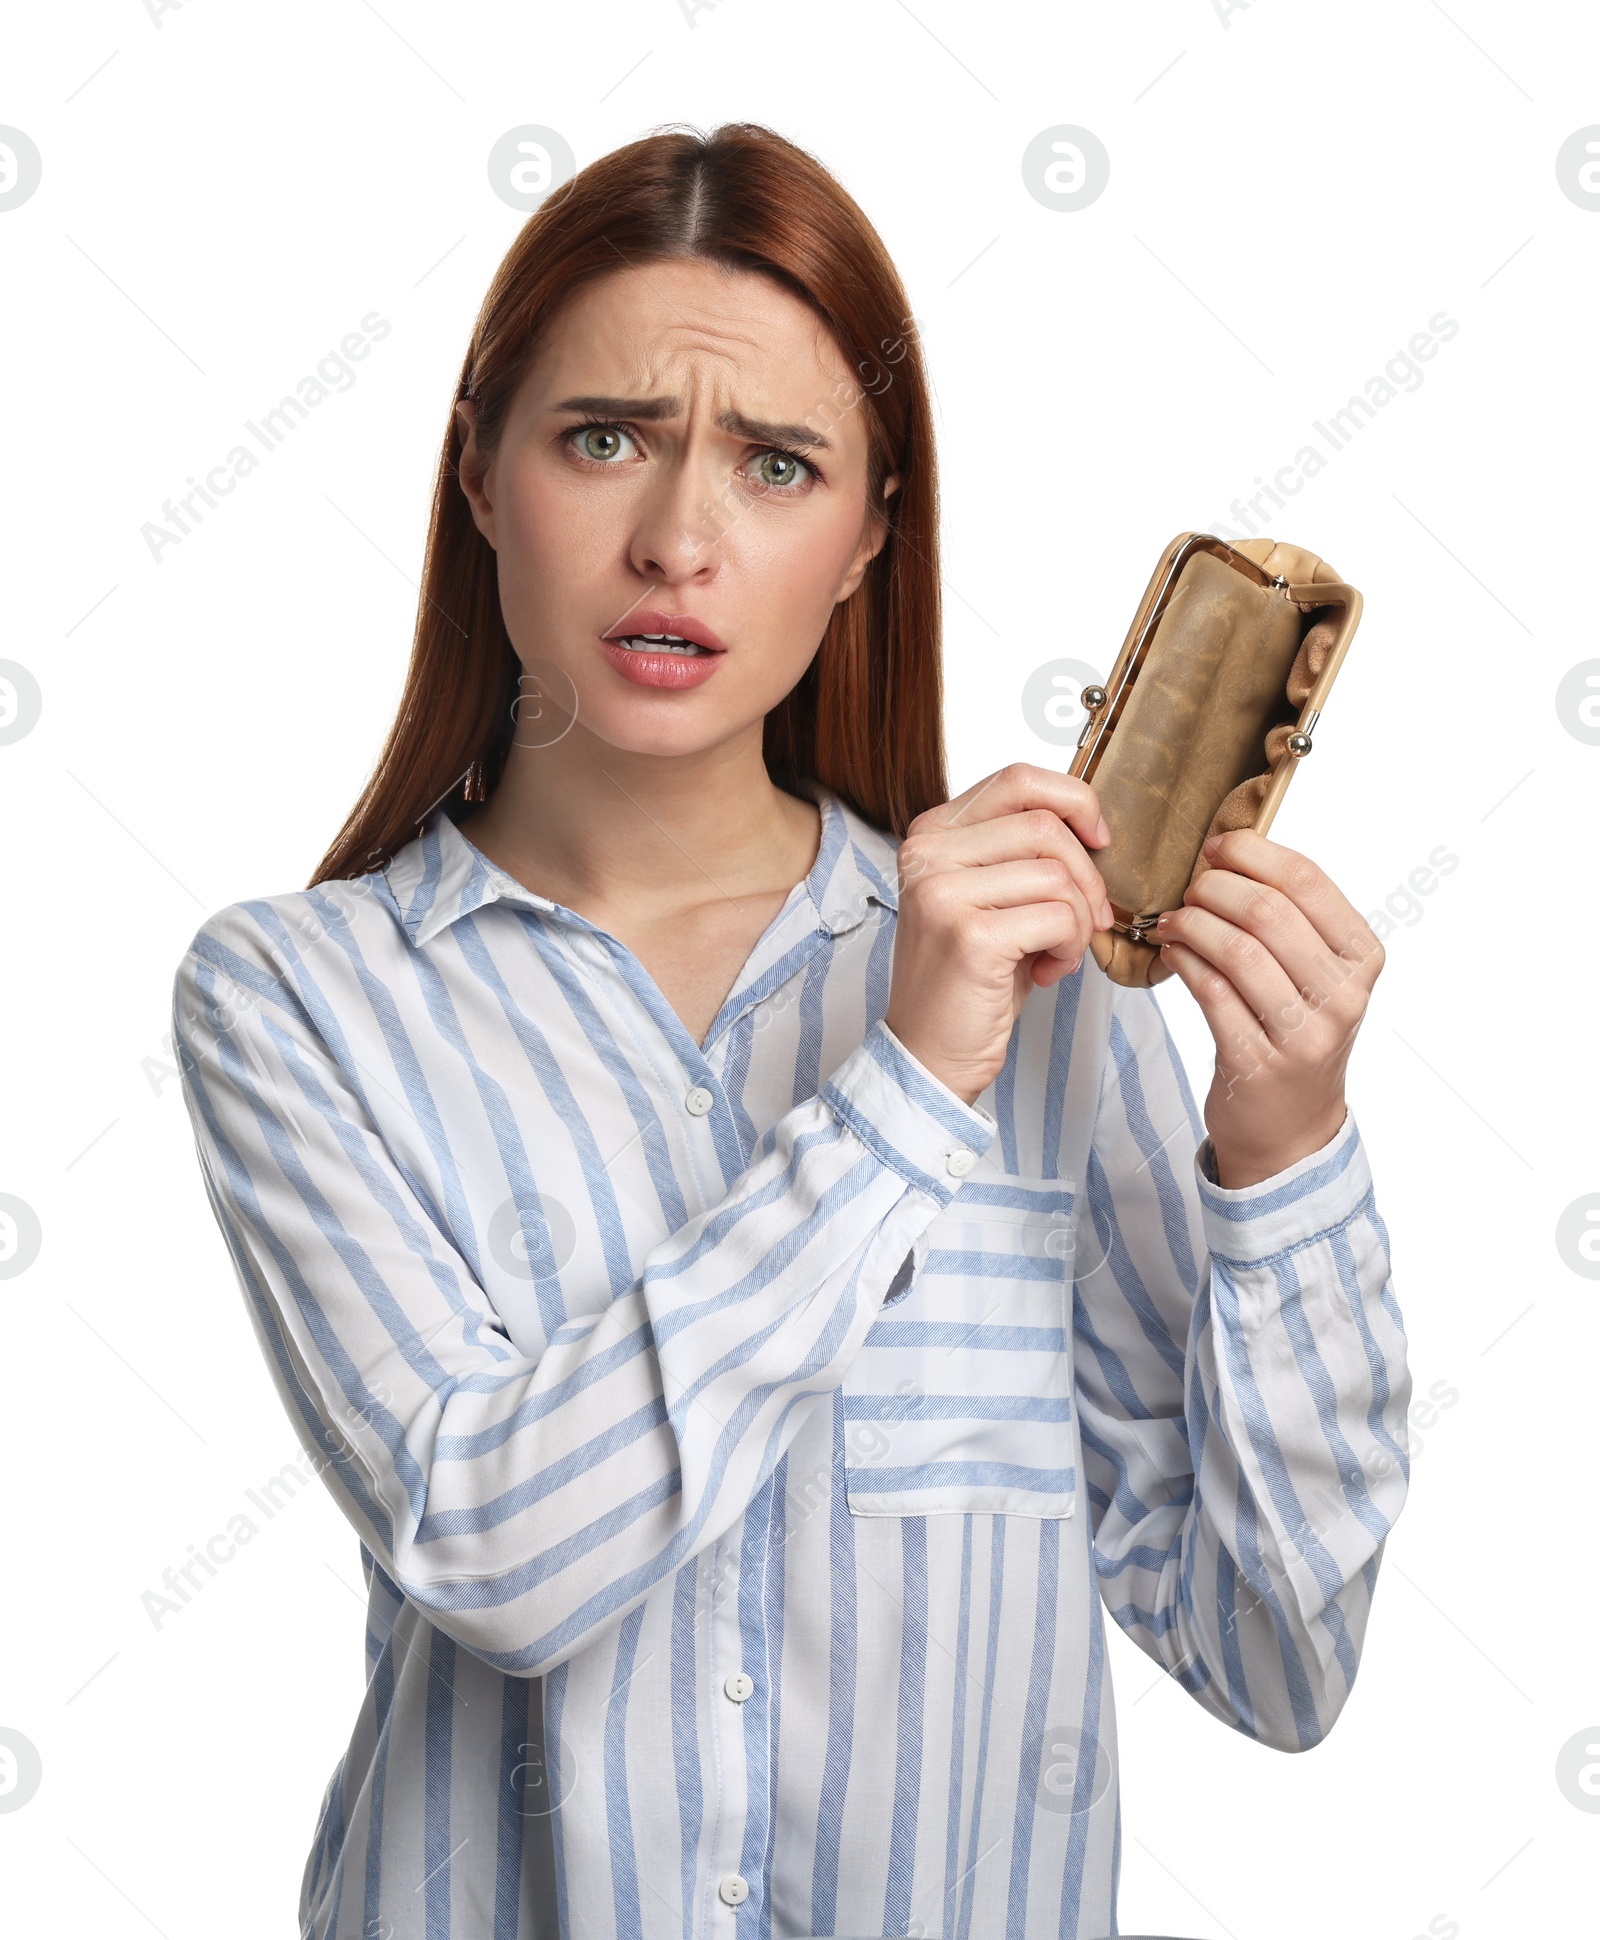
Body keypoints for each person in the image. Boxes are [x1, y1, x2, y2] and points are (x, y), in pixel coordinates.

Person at [171, 122, 1411, 1940]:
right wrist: (905, 1098)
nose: (678, 539)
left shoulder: (1048, 997)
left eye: (774, 465)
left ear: (864, 539)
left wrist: (1285, 1151)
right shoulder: (297, 998)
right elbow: (498, 1552)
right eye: (605, 439)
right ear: (481, 477)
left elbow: (1273, 1663)